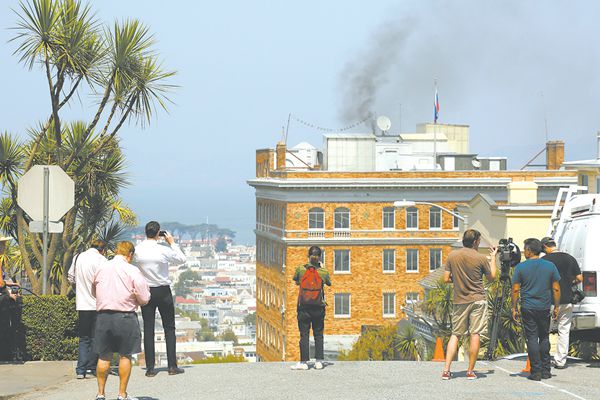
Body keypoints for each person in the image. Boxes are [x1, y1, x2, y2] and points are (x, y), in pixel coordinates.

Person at [92, 241, 150, 400]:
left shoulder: (102, 268)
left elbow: (93, 290)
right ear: (129, 254)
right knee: (125, 355)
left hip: (103, 316)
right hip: (125, 317)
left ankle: (100, 393)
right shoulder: (132, 270)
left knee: (104, 356)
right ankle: (122, 394)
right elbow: (144, 297)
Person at [442, 229, 497, 380]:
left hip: (460, 300)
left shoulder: (452, 256)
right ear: (475, 242)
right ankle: (470, 371)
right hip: (478, 299)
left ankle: (446, 370)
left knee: (456, 334)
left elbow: (446, 279)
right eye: (479, 241)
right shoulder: (480, 258)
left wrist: (457, 280)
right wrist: (493, 258)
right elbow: (492, 277)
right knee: (475, 333)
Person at [134, 221, 186, 377]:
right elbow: (182, 259)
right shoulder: (163, 249)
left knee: (148, 329)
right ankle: (172, 366)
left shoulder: (138, 250)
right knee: (169, 328)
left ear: (145, 232)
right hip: (163, 291)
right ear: (158, 233)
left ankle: (150, 368)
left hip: (146, 290)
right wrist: (172, 243)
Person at [511, 238, 561, 381]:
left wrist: (514, 307)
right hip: (544, 307)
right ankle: (546, 371)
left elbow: (515, 290)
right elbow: (556, 288)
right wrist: (556, 306)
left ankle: (536, 372)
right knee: (544, 337)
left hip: (528, 307)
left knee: (532, 337)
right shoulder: (550, 266)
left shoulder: (521, 267)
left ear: (529, 250)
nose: (523, 251)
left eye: (524, 249)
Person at [540, 236, 582, 369]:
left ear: (546, 247)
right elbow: (580, 278)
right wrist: (570, 283)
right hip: (567, 300)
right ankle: (560, 361)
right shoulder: (569, 258)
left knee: (544, 330)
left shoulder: (544, 260)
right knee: (564, 330)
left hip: (550, 301)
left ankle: (543, 360)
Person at [68, 240, 107, 379]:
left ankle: (80, 370)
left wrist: (79, 286)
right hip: (97, 304)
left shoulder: (78, 257)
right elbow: (105, 281)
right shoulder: (102, 260)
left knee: (83, 338)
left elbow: (71, 277)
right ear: (102, 250)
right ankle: (91, 368)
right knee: (95, 337)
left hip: (82, 304)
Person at [291, 246, 331, 370]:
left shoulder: (300, 269)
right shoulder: (323, 272)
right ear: (320, 257)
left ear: (308, 256)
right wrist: (322, 268)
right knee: (318, 334)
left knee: (304, 334)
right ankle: (319, 361)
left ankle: (303, 363)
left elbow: (296, 281)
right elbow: (328, 283)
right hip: (318, 307)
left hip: (303, 307)